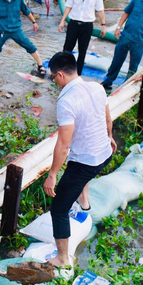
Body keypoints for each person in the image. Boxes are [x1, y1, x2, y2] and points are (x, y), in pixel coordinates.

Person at [43, 52, 115, 267]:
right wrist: (110, 137)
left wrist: (52, 174)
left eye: (53, 78)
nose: (54, 82)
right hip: (105, 153)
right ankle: (84, 203)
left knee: (59, 208)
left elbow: (64, 145)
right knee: (80, 172)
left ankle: (62, 258)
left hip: (87, 161)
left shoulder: (66, 100)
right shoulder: (96, 86)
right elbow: (107, 117)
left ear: (60, 75)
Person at [58, 0, 106, 76]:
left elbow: (100, 10)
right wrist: (62, 21)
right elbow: (68, 6)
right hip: (73, 23)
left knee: (82, 51)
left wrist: (103, 25)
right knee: (67, 50)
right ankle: (64, 72)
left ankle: (77, 75)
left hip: (87, 26)